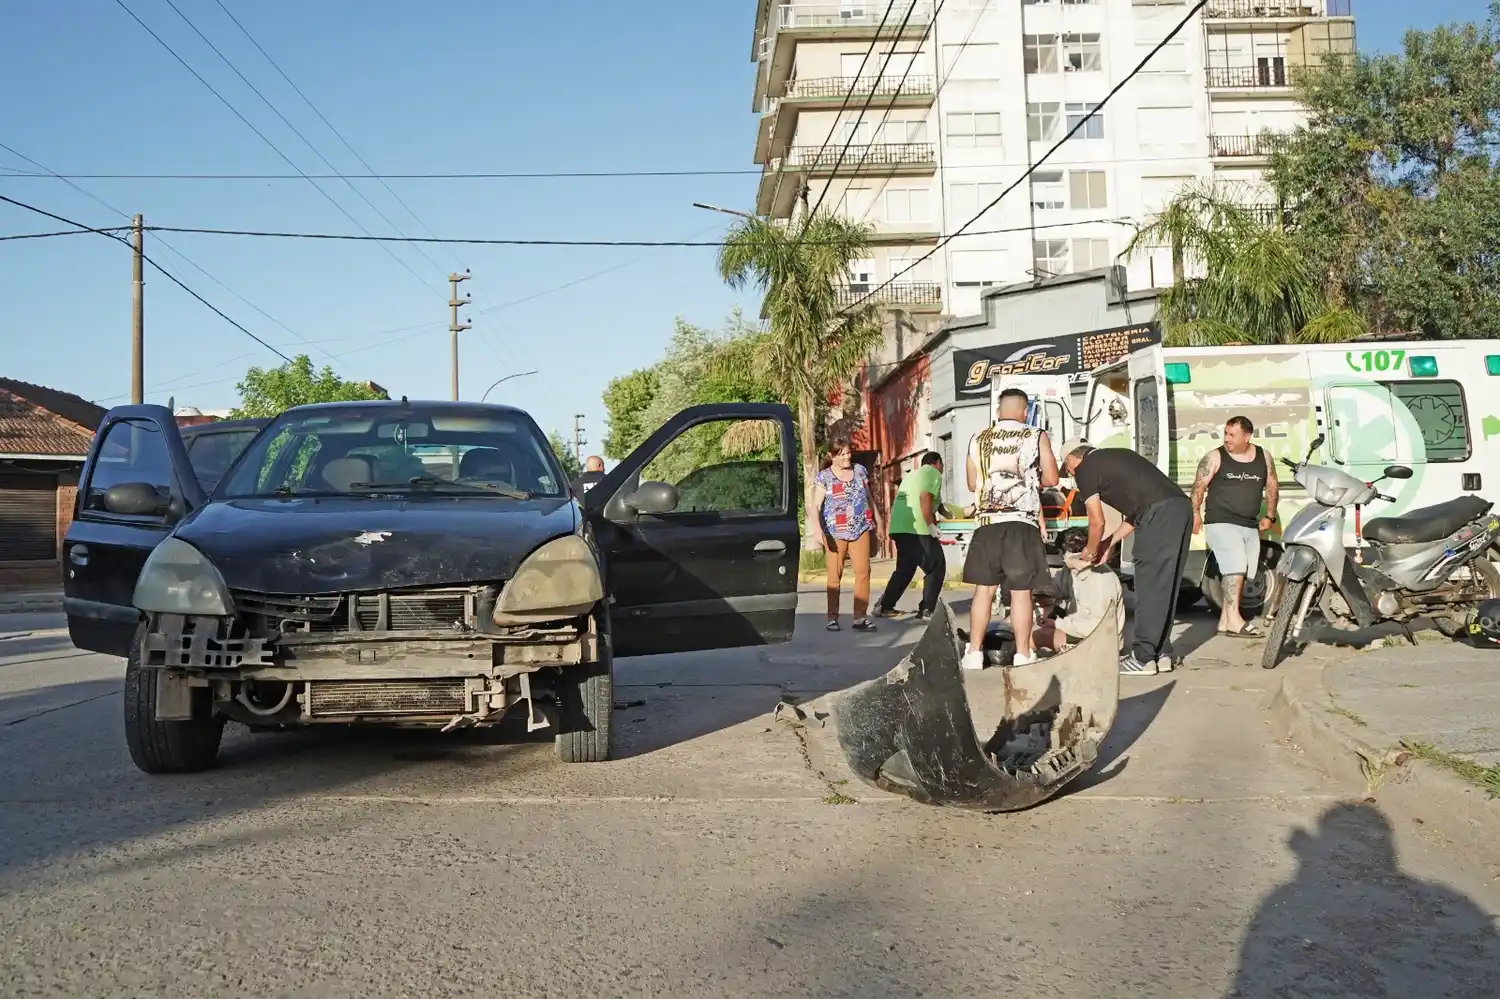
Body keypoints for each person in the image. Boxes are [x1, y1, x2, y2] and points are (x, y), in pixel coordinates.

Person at [1060, 439, 1193, 676]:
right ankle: (1160, 652)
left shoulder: (1086, 469)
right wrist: (1107, 544)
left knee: (1150, 586)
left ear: (1072, 458)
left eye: (1067, 468)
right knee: (1166, 585)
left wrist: (1089, 552)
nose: (1070, 475)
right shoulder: (1117, 457)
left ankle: (1142, 657)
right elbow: (1135, 514)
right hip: (1179, 508)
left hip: (1159, 515)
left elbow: (1096, 520)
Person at [960, 388, 1059, 670]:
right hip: (1020, 523)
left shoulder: (977, 439)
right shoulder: (1035, 435)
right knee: (1020, 592)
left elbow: (971, 483)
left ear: (998, 411)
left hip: (987, 525)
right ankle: (1023, 654)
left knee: (984, 591)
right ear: (1025, 412)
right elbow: (1051, 478)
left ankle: (974, 653)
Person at [1192, 416, 1278, 637]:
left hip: (1249, 523)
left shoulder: (1263, 457)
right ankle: (1234, 619)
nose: (1227, 439)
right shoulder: (1215, 457)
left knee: (1244, 570)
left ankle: (1224, 621)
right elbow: (1199, 486)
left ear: (1247, 436)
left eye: (1232, 435)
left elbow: (1271, 485)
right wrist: (1195, 513)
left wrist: (1270, 515)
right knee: (1235, 566)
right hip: (1220, 520)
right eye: (1225, 434)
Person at [812, 438, 877, 633]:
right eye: (842, 454)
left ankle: (860, 617)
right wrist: (817, 530)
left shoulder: (859, 471)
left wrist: (879, 521)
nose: (847, 457)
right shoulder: (825, 477)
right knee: (834, 576)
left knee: (863, 572)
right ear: (832, 456)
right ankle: (832, 617)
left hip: (861, 528)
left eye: (848, 453)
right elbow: (814, 505)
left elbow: (868, 497)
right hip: (834, 532)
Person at [875, 451, 946, 620]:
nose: (942, 468)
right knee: (936, 566)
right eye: (942, 465)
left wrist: (965, 511)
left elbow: (941, 507)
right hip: (917, 528)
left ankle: (885, 606)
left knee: (905, 569)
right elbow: (925, 497)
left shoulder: (912, 475)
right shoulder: (932, 472)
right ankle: (927, 609)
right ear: (937, 462)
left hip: (899, 526)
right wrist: (930, 525)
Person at [1034, 531, 1126, 654]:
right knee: (1032, 623)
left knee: (1040, 635)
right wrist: (1039, 593)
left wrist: (1057, 624)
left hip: (1102, 640)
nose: (1060, 557)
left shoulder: (1101, 579)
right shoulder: (1072, 569)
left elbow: (1098, 626)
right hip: (1079, 628)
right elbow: (1057, 588)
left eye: (1061, 553)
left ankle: (1019, 660)